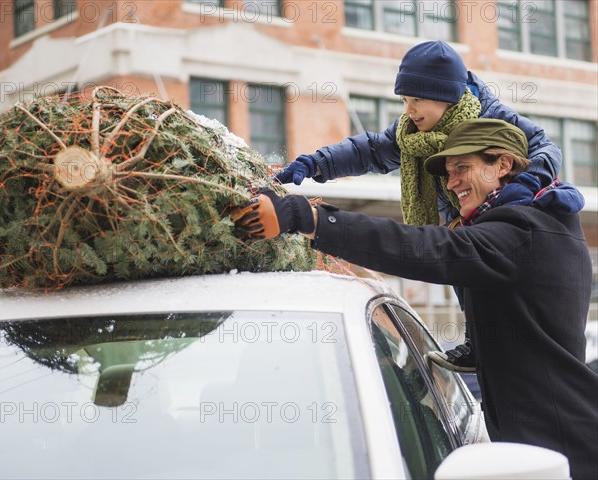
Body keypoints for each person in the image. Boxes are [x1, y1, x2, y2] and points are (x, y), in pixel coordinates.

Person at [231, 119, 597, 480]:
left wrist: (309, 218)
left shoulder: (524, 232)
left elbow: (427, 250)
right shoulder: (532, 223)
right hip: (542, 437)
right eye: (449, 172)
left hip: (561, 448)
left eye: (462, 168)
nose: (451, 183)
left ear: (502, 164)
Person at [275, 40, 562, 372]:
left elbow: (545, 147)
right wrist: (314, 164)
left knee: (491, 284)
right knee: (464, 275)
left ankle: (506, 345)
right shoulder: (411, 133)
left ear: (445, 95)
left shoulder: (489, 117)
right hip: (460, 221)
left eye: (418, 100)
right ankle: (480, 345)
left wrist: (525, 185)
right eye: (405, 100)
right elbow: (367, 152)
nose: (409, 109)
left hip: (505, 219)